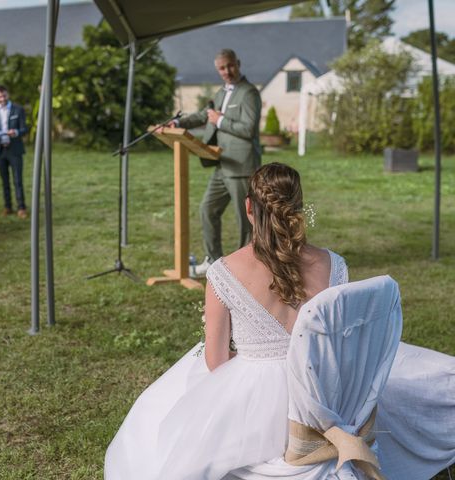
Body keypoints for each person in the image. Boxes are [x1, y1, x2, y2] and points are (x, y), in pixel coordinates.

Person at [105, 163, 455, 479]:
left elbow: (215, 362)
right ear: (298, 208)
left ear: (247, 209)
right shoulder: (335, 264)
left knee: (161, 413)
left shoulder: (224, 272)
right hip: (326, 392)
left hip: (260, 407)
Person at [171, 48, 262, 277]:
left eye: (230, 66)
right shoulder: (221, 93)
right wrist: (177, 124)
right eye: (221, 68)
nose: (226, 71)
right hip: (222, 164)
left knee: (246, 220)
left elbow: (249, 129)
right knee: (207, 209)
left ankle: (248, 268)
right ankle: (213, 261)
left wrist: (221, 120)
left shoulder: (249, 93)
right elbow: (204, 115)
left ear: (238, 64)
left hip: (242, 166)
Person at [0, 85, 28, 218]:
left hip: (14, 149)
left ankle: (21, 207)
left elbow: (24, 129)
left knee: (17, 180)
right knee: (4, 180)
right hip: (0, 150)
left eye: (4, 96)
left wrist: (15, 132)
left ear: (7, 95)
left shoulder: (18, 109)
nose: (2, 99)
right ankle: (7, 206)